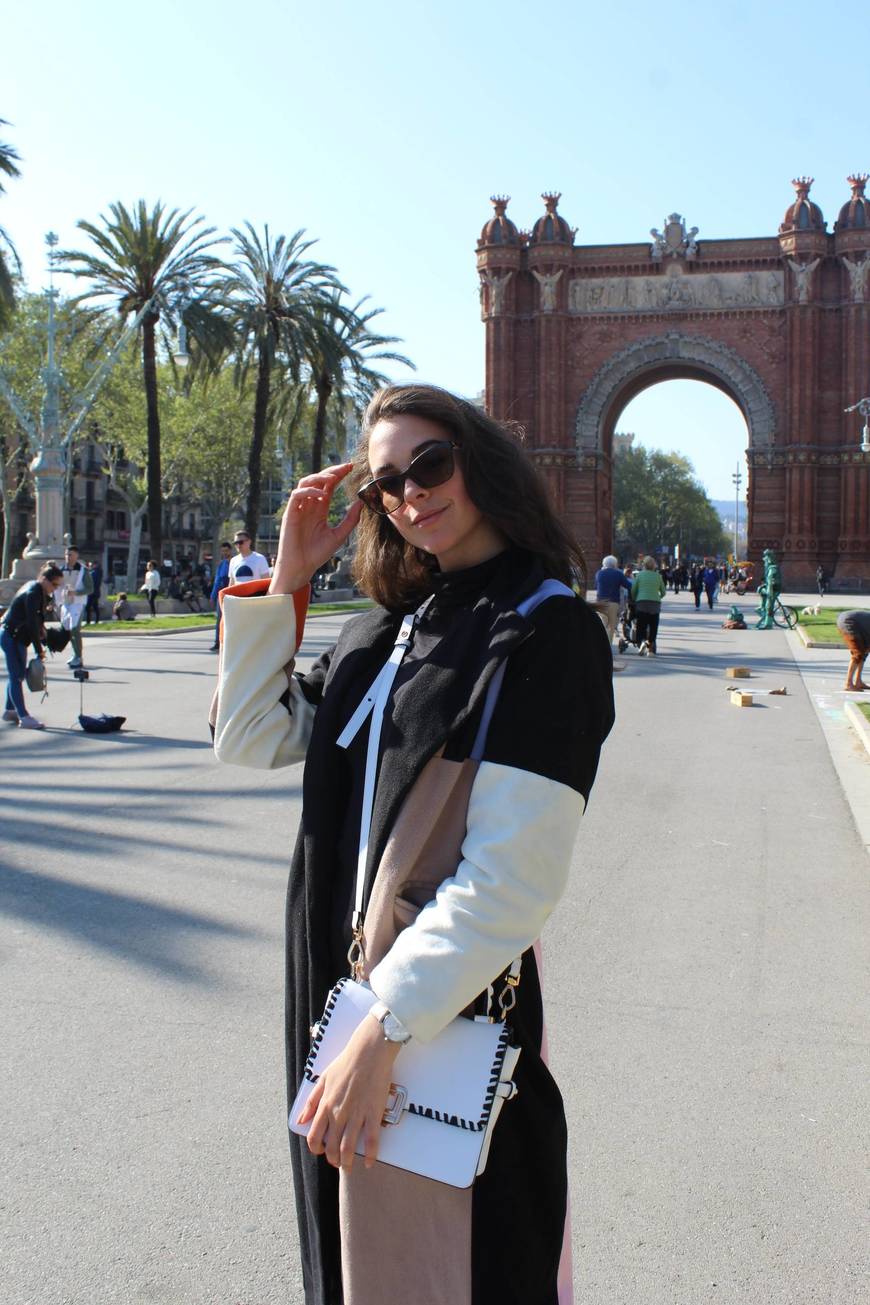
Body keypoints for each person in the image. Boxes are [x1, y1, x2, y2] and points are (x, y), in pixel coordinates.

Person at [213, 383, 614, 1305]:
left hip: (437, 1016)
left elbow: (510, 881)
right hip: (337, 994)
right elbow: (249, 736)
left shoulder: (544, 630)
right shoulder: (390, 629)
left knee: (461, 1266)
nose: (411, 493)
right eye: (387, 482)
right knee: (348, 1254)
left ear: (481, 458)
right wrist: (288, 580)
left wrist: (382, 1030)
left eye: (431, 463)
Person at [1, 562, 63, 729]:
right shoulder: (34, 592)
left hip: (15, 636)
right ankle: (24, 716)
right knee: (16, 676)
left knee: (18, 674)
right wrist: (39, 650)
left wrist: (42, 632)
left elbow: (36, 620)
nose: (55, 588)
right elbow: (31, 622)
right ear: (44, 579)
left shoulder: (38, 591)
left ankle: (9, 710)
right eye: (54, 584)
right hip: (12, 636)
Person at [56, 544, 92, 669]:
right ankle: (75, 654)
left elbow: (90, 588)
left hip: (78, 603)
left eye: (70, 554)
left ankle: (79, 656)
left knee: (75, 629)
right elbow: (56, 586)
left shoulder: (83, 571)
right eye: (66, 554)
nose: (67, 557)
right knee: (69, 630)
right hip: (66, 603)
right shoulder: (61, 570)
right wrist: (53, 602)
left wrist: (76, 593)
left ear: (76, 556)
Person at [630, 555, 666, 654]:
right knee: (653, 625)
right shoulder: (658, 576)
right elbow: (663, 592)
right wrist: (657, 597)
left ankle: (641, 642)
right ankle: (650, 647)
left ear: (644, 565)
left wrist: (635, 599)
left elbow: (633, 590)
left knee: (641, 625)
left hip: (642, 602)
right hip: (655, 604)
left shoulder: (640, 575)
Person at [593, 553, 631, 643]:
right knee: (611, 626)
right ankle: (608, 647)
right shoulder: (618, 574)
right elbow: (628, 586)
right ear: (615, 564)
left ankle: (600, 644)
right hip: (613, 602)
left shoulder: (599, 573)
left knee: (603, 624)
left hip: (600, 602)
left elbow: (595, 586)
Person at [836, 610, 870, 692]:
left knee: (864, 652)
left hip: (856, 623)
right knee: (857, 653)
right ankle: (848, 684)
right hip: (849, 621)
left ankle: (858, 682)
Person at [209, 541, 233, 651]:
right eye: (223, 551)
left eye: (226, 551)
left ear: (230, 550)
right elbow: (217, 581)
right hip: (221, 594)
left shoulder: (234, 562)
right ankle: (218, 642)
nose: (224, 553)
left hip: (232, 594)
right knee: (219, 620)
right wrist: (213, 596)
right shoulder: (221, 564)